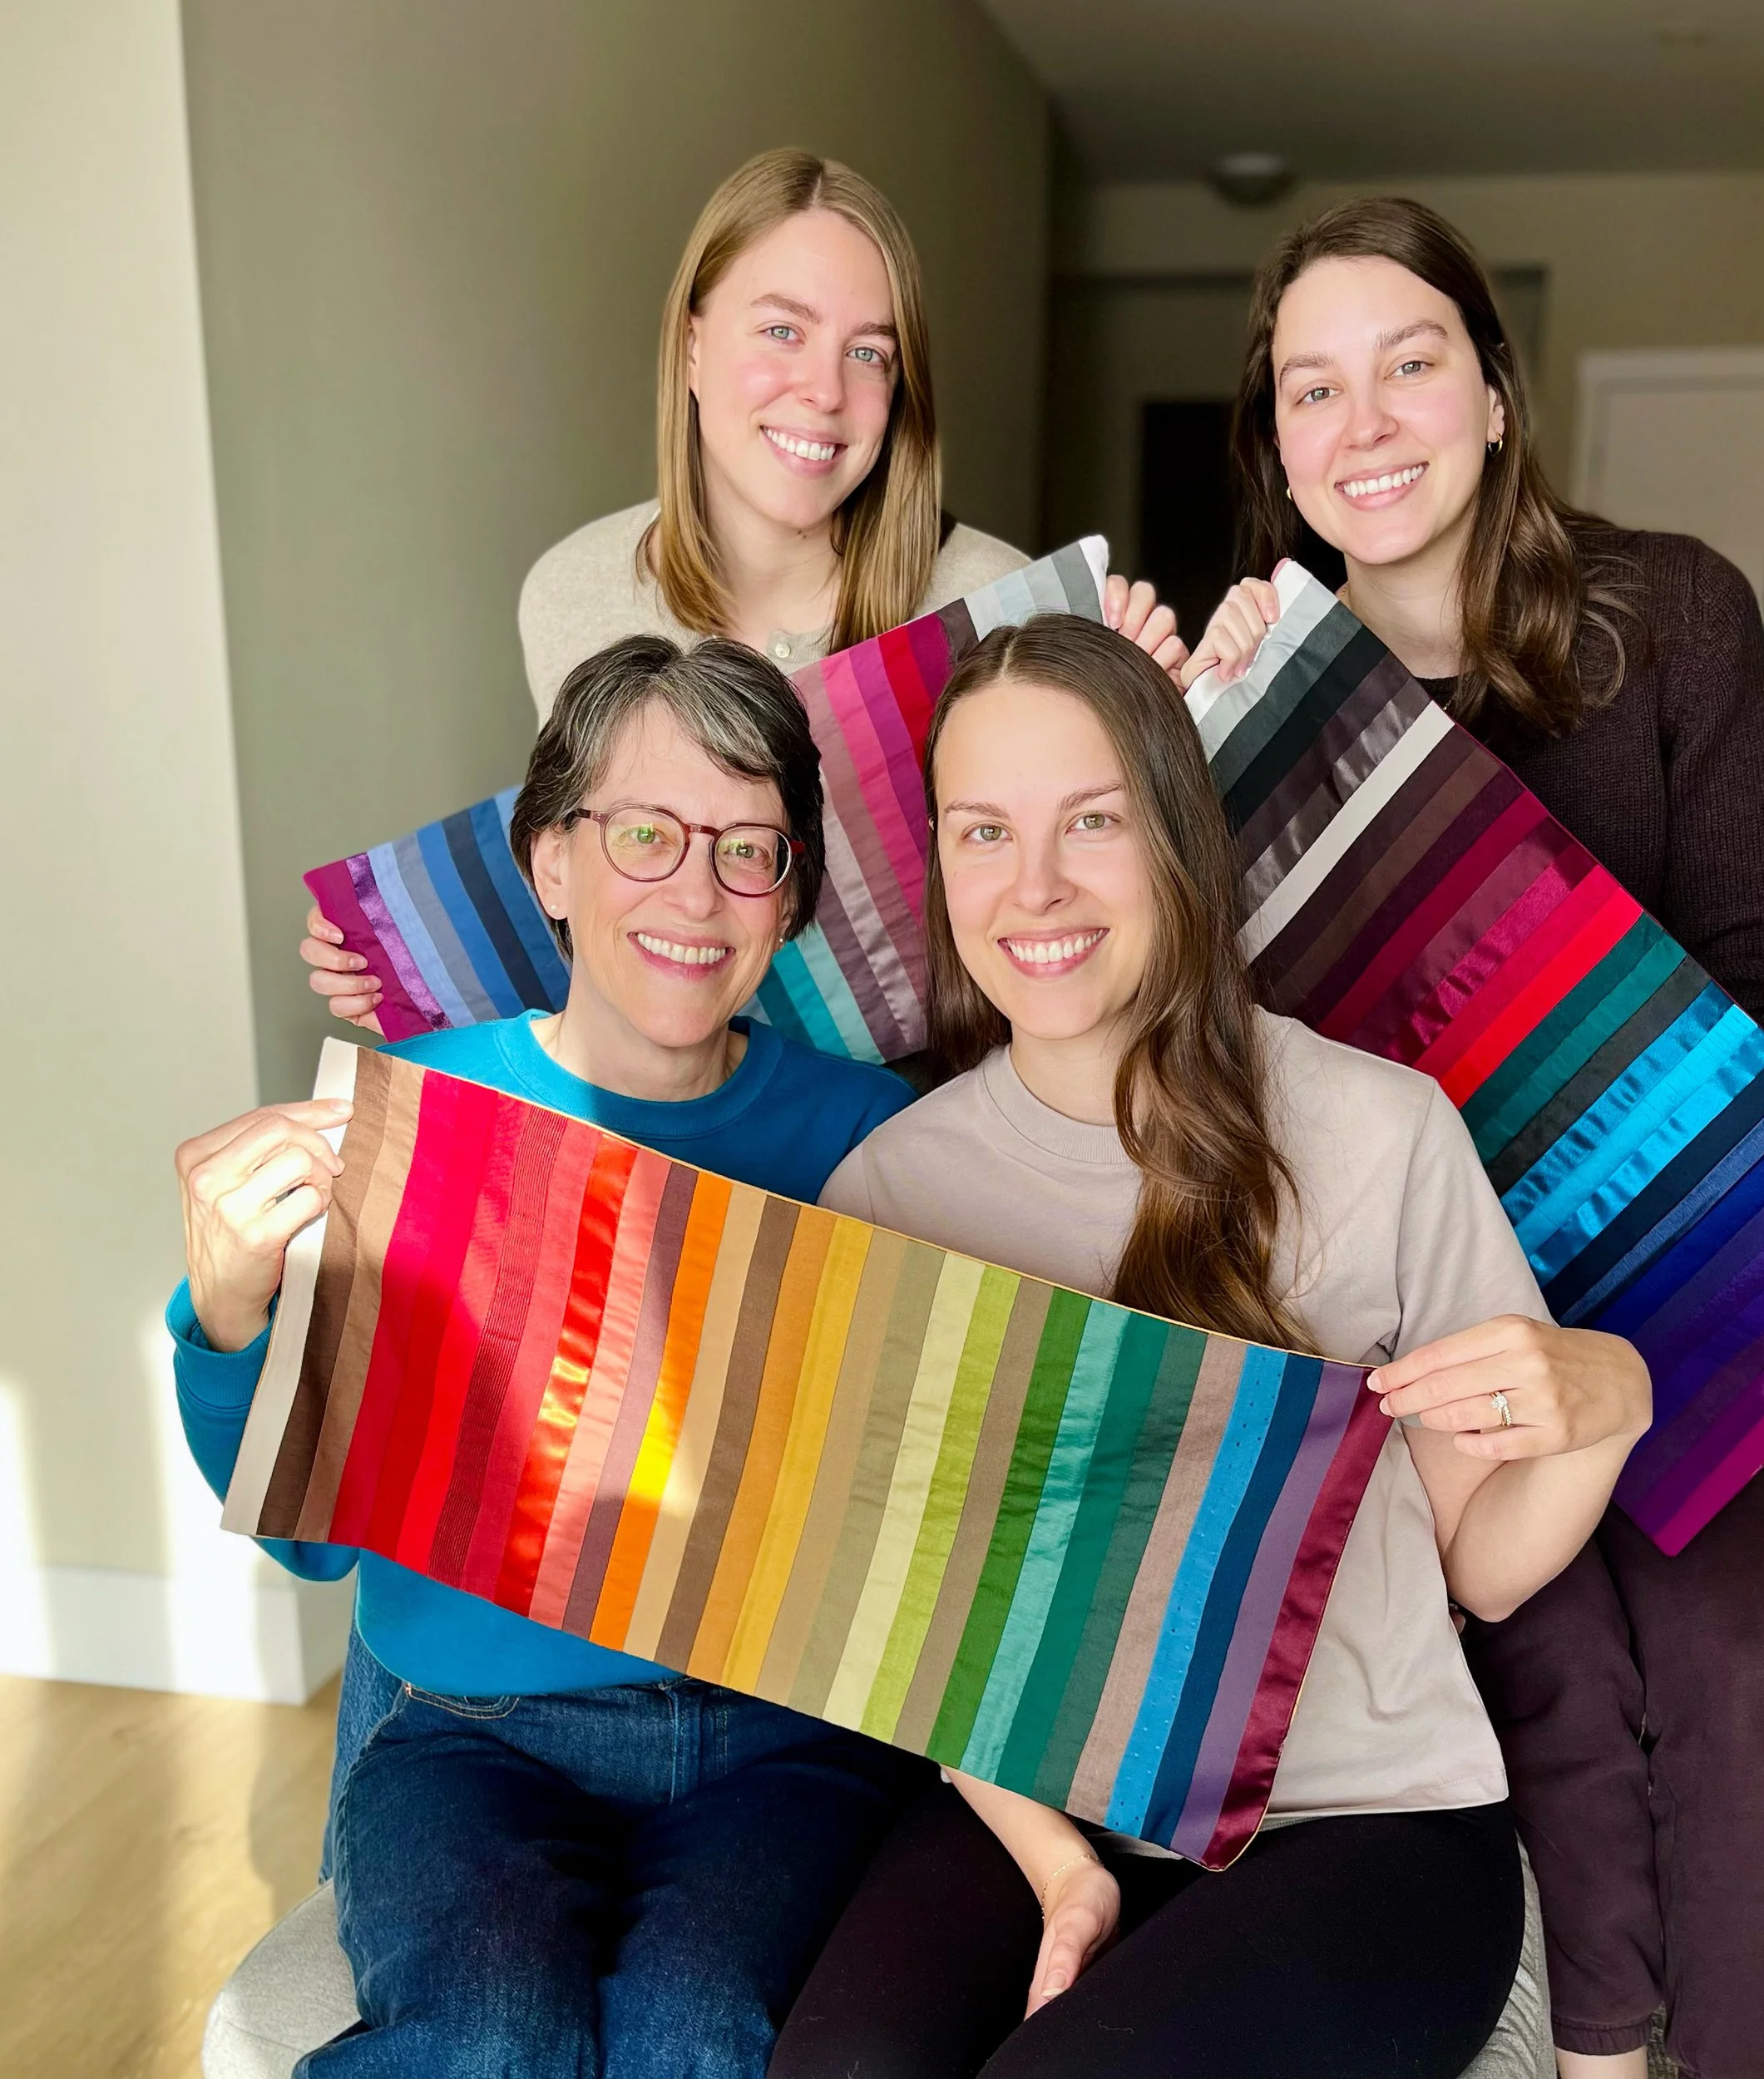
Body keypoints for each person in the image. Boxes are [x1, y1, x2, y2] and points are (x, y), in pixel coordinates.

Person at [1177, 197, 1764, 2079]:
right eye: (1312, 389)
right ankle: (1603, 2052)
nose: (1366, 424)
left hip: (1659, 1269)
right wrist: (1198, 724)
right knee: (1550, 1665)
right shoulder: (1250, 706)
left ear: (1493, 394)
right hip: (1429, 1300)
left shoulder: (1673, 615)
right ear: (1275, 443)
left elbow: (1763, 984)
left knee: (1731, 1681)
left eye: (1410, 365)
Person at [766, 616, 1653, 2079]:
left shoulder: (1378, 1131)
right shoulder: (890, 1192)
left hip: (1368, 1822)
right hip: (1049, 1812)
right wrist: (1063, 1869)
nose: (1036, 886)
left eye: (1092, 821)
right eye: (984, 832)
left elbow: (1482, 1566)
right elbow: (918, 1626)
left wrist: (1613, 1398)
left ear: (1177, 835)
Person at [173, 637, 929, 2076]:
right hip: (475, 1740)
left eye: (749, 850)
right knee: (489, 2043)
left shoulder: (870, 1139)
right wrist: (224, 1321)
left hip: (782, 1751)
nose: (696, 894)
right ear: (552, 864)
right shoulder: (417, 1117)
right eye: (645, 835)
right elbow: (310, 1546)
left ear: (790, 901)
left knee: (698, 2042)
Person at [304, 146, 1183, 1033]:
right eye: (782, 332)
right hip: (686, 1104)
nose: (825, 391)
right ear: (692, 346)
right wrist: (410, 969)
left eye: (868, 353)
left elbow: (1079, 907)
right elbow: (609, 887)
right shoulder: (572, 594)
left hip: (933, 1099)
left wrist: (1152, 732)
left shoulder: (997, 604)